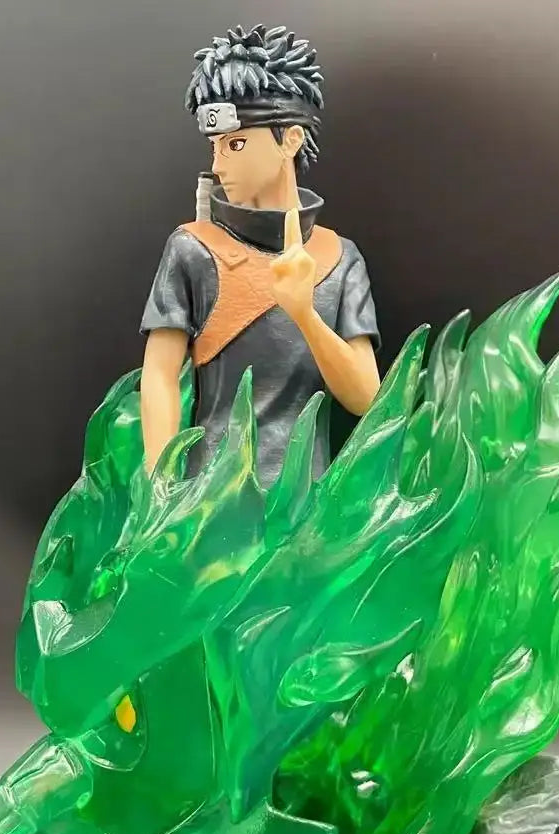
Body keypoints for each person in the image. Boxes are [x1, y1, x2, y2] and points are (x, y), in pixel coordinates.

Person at [139, 23, 381, 487]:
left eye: (236, 143)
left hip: (305, 501)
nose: (218, 164)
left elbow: (367, 397)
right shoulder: (193, 249)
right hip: (211, 497)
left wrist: (305, 314)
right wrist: (160, 486)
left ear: (290, 139)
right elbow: (159, 377)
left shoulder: (339, 258)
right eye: (215, 146)